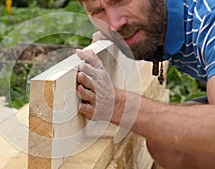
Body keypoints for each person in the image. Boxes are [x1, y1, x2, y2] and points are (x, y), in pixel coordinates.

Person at [75, 0, 215, 168]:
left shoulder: (209, 21)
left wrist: (118, 105)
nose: (115, 24)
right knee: (168, 146)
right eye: (98, 11)